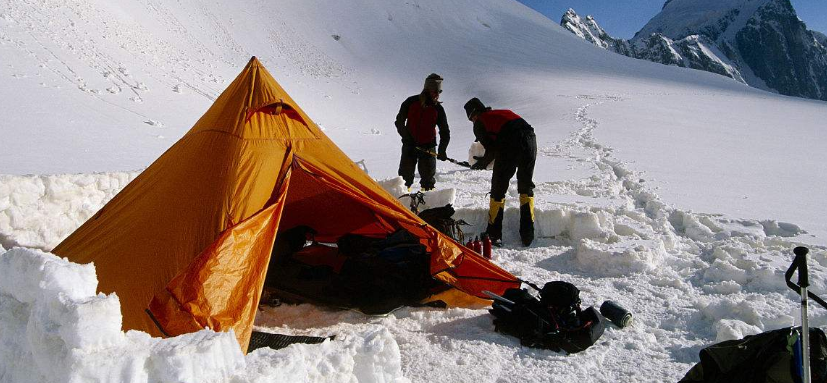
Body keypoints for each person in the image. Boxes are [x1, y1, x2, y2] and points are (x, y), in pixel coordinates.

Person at [463, 97, 537, 246]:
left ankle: (494, 234)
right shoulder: (501, 113)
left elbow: (492, 149)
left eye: (471, 119)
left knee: (498, 188)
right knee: (526, 186)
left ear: (473, 115)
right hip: (530, 140)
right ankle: (527, 235)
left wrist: (481, 164)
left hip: (511, 142)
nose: (472, 122)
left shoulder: (480, 122)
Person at [395, 74, 450, 191]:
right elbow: (399, 122)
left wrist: (442, 150)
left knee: (428, 181)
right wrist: (407, 138)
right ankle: (402, 202)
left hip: (428, 147)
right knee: (404, 179)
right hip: (410, 146)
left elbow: (445, 131)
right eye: (435, 91)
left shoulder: (438, 109)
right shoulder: (410, 102)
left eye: (439, 91)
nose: (437, 94)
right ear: (427, 90)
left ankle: (427, 203)